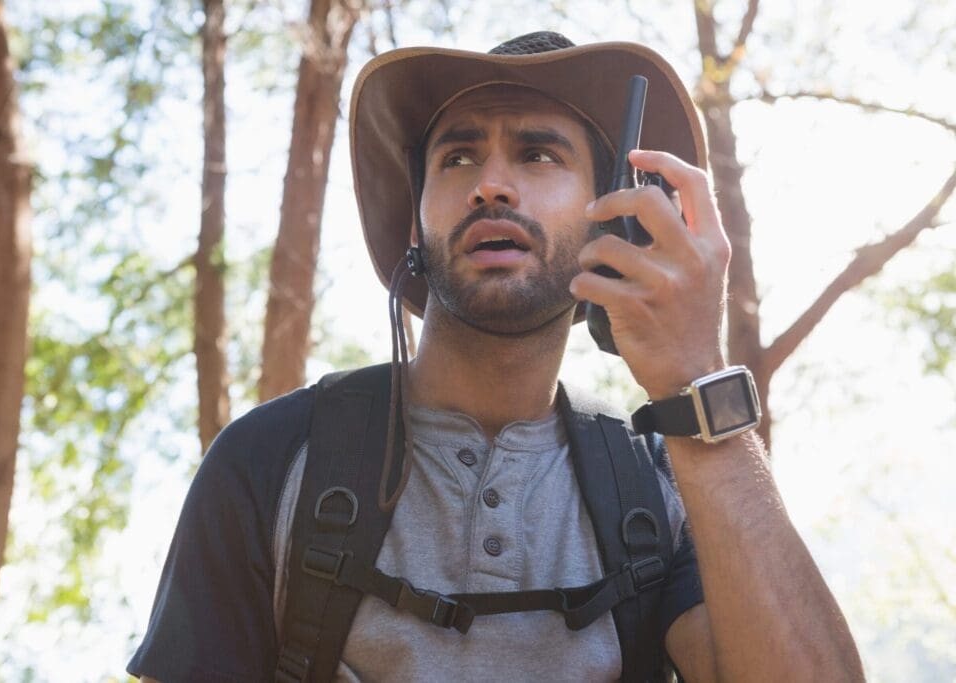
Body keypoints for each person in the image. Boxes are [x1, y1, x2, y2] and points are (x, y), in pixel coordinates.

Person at [129, 32, 864, 682]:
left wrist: (694, 382)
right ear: (415, 222)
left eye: (538, 153)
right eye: (457, 157)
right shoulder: (269, 457)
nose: (490, 183)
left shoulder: (661, 489)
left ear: (615, 220)